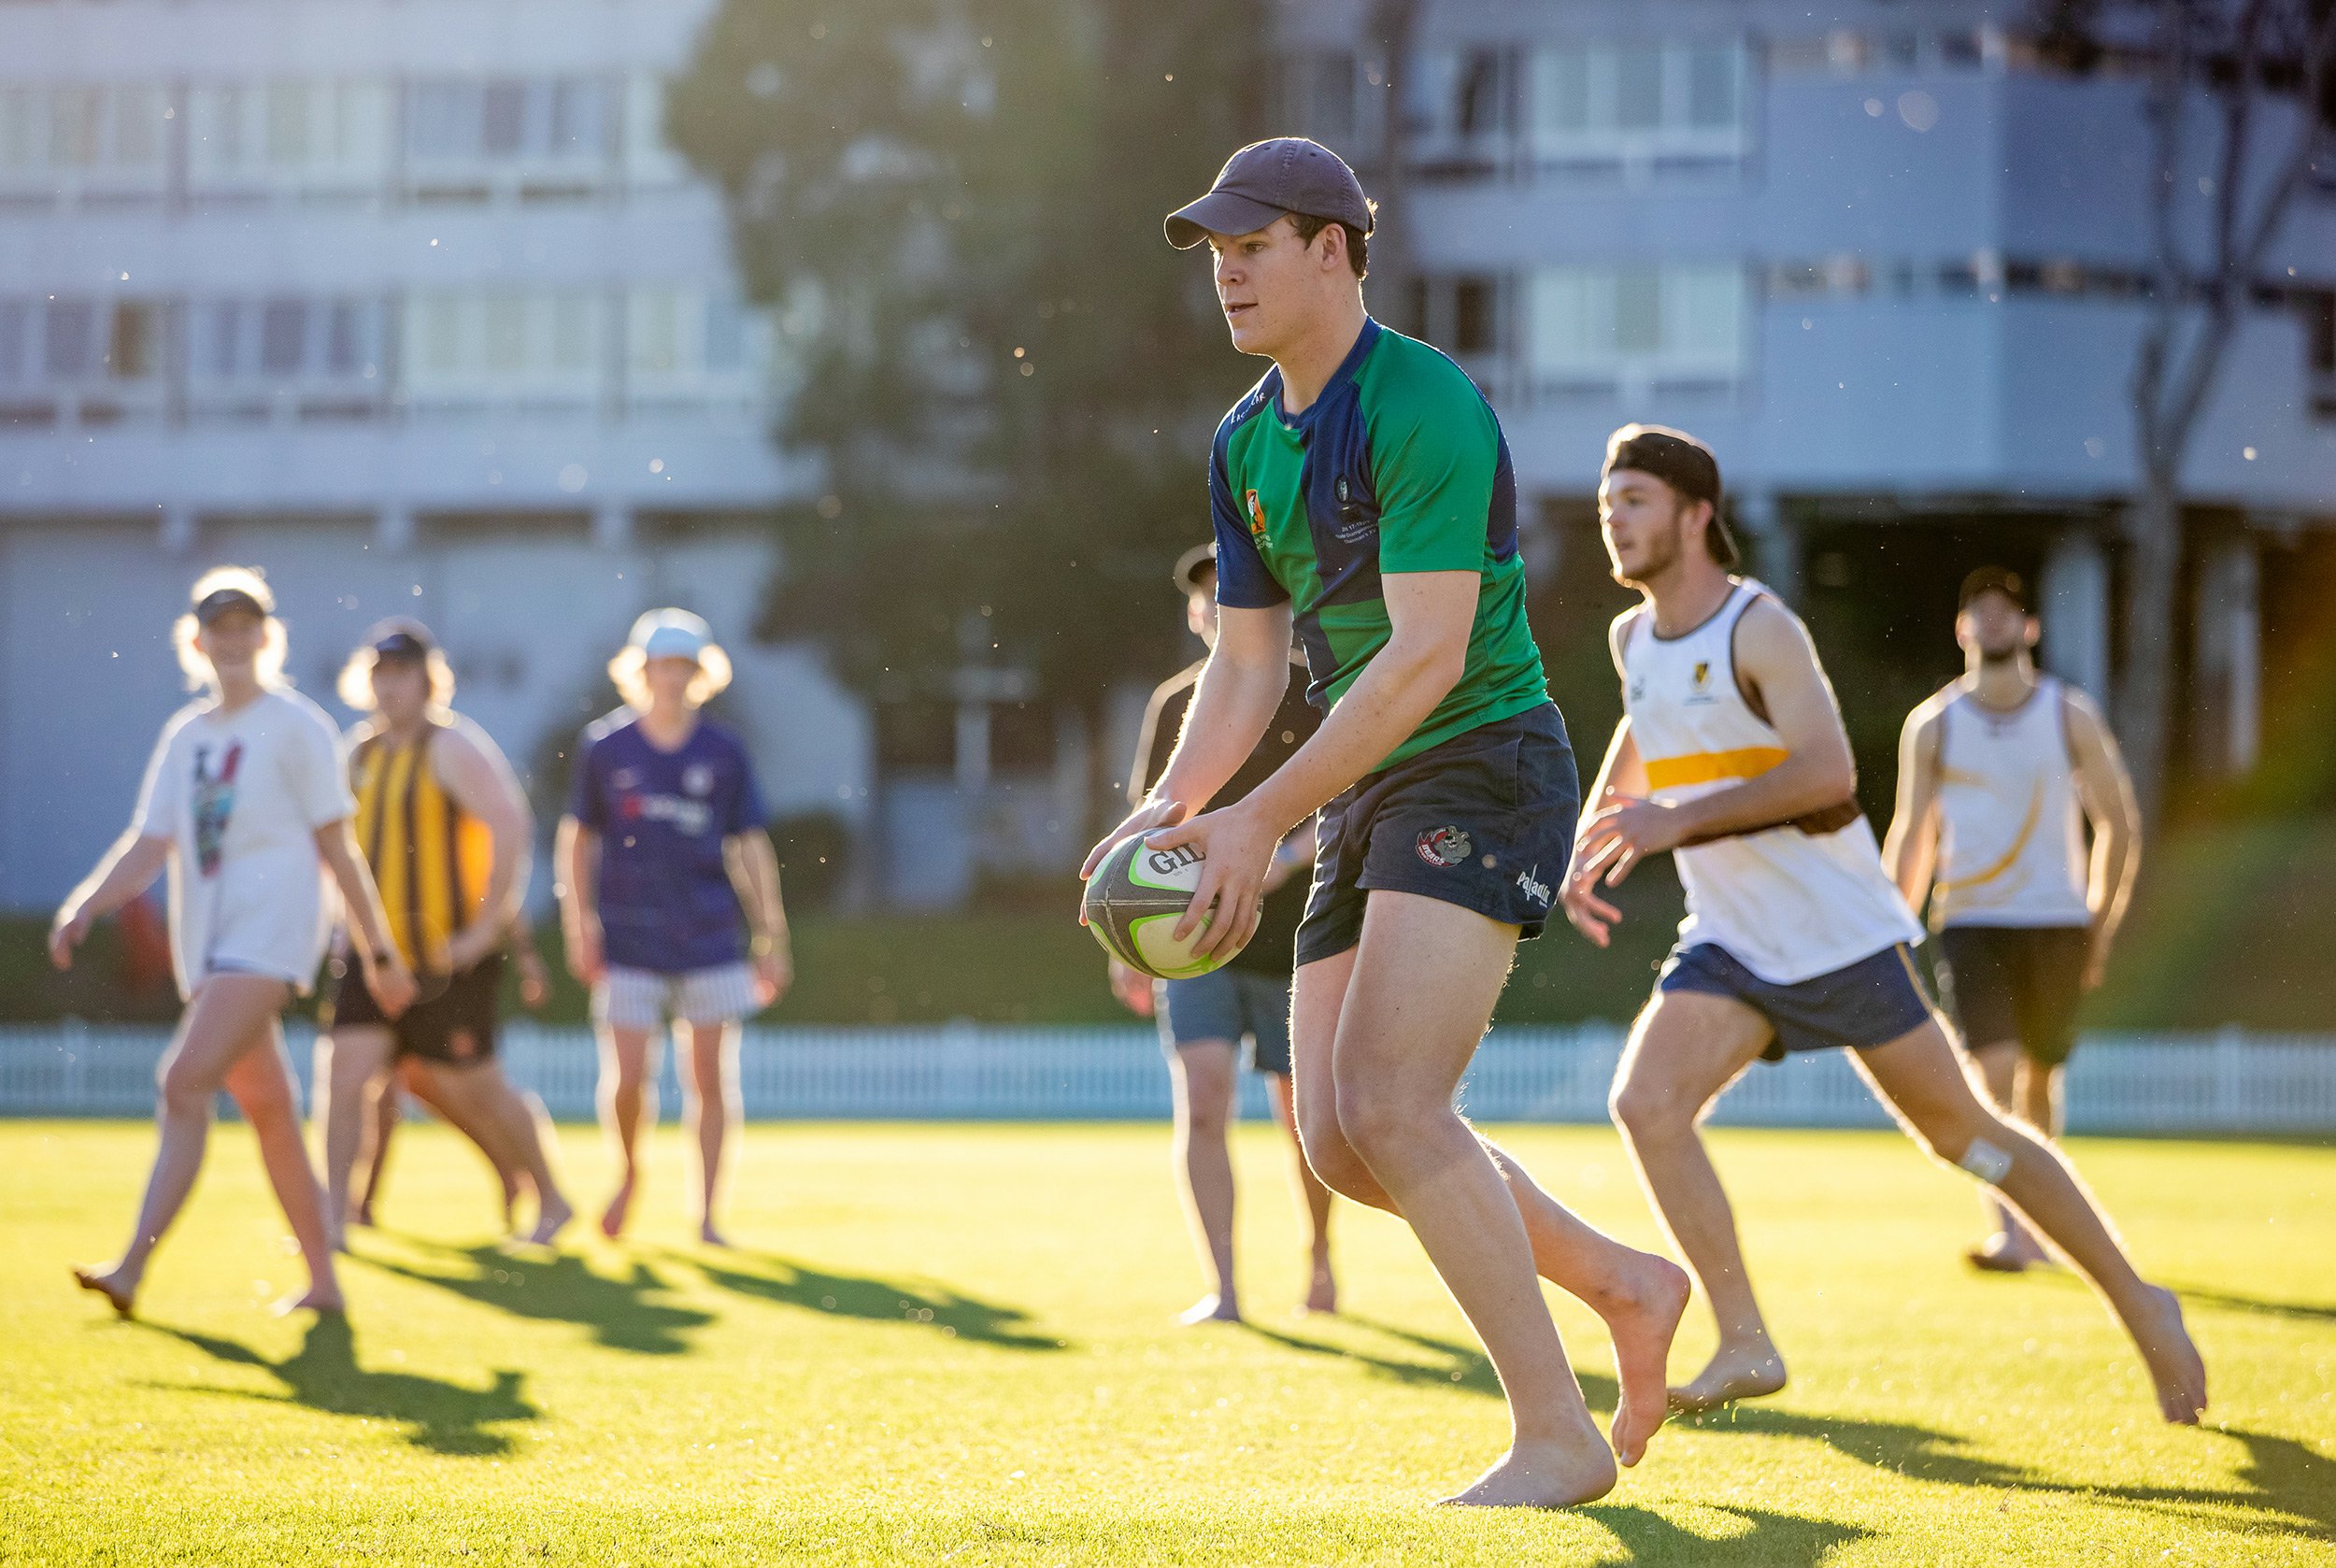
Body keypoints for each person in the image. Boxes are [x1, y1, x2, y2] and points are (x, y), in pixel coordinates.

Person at [1084, 137, 1690, 1508]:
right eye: (1215, 251)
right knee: (1344, 1142)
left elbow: (1424, 655)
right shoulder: (1243, 441)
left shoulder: (1424, 401)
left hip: (1482, 758)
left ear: (1334, 249)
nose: (1229, 270)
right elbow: (1247, 667)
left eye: (1255, 243)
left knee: (1399, 1104)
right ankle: (1626, 1281)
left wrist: (1253, 826)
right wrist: (1169, 814)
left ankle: (1556, 1435)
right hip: (1372, 780)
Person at [1561, 424, 2205, 1427]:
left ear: (1695, 516)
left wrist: (1669, 820)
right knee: (1645, 1103)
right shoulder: (1632, 637)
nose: (1615, 516)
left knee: (1968, 1138)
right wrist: (1597, 830)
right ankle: (1744, 1337)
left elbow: (1826, 771)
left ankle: (2139, 1298)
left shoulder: (1756, 626)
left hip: (1839, 937)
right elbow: (1645, 722)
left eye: (1635, 499)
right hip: (1729, 939)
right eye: (1609, 502)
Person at [51, 567, 417, 1318]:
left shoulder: (298, 726)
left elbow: (339, 849)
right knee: (272, 1113)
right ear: (197, 641)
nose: (233, 639)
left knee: (182, 1081)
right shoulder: (186, 736)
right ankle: (325, 1283)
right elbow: (149, 843)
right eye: (218, 627)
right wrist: (87, 902)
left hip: (273, 939)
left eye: (246, 625)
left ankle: (130, 1268)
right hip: (211, 949)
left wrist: (377, 950)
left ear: (266, 636)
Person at [1881, 568, 2141, 1271]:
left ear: (2029, 629)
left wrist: (2098, 923)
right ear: (1961, 630)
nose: (1992, 624)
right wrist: (1890, 927)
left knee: (2039, 1080)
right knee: (1990, 1076)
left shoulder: (2067, 713)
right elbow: (1913, 831)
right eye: (1979, 613)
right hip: (1972, 918)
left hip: (2057, 921)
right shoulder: (1934, 724)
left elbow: (2118, 821)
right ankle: (2012, 1234)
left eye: (2007, 614)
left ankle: (2046, 1229)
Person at [1116, 541, 1336, 1324]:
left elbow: (1348, 808)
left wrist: (1280, 855)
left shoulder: (1319, 694)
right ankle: (1227, 1290)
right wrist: (1126, 941)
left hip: (1295, 935)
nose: (1215, 603)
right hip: (1192, 940)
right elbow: (1154, 823)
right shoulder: (1177, 704)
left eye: (1230, 590)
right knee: (1204, 1103)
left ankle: (1318, 1257)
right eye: (1205, 593)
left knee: (1304, 1119)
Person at [315, 620, 574, 1249]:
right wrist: (341, 928)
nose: (389, 687)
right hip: (374, 954)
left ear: (429, 682)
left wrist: (485, 929)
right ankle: (332, 1220)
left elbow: (511, 826)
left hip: (446, 957)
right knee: (345, 1077)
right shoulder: (359, 753)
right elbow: (336, 851)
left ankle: (552, 1197)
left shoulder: (452, 749)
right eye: (379, 674)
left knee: (474, 1084)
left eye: (401, 674)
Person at [556, 609, 792, 1245]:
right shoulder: (605, 749)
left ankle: (708, 1215)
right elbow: (578, 840)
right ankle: (630, 1173)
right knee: (629, 1079)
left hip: (710, 937)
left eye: (684, 667)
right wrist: (580, 923)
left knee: (710, 1081)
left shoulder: (723, 752)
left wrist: (772, 935)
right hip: (628, 937)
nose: (672, 679)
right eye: (661, 666)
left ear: (700, 675)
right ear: (641, 673)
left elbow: (749, 845)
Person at [350, 923, 554, 1233]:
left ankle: (540, 1190)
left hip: (442, 969)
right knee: (392, 1085)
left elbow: (501, 890)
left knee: (473, 1087)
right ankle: (361, 1206)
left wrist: (526, 954)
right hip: (391, 962)